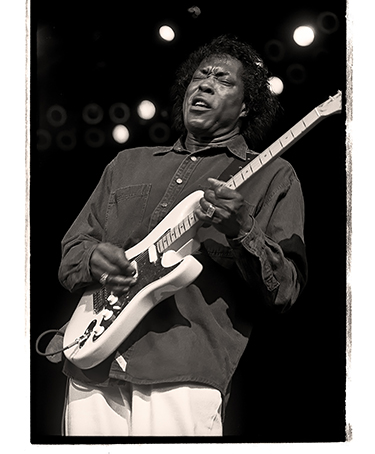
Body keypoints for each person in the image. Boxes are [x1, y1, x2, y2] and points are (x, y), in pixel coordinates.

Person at [58, 34, 308, 437]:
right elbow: (71, 252)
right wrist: (92, 259)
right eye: (199, 76)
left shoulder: (272, 175)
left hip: (182, 371)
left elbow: (285, 291)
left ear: (246, 106)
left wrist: (243, 229)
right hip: (92, 367)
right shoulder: (127, 164)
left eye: (223, 80)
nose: (205, 84)